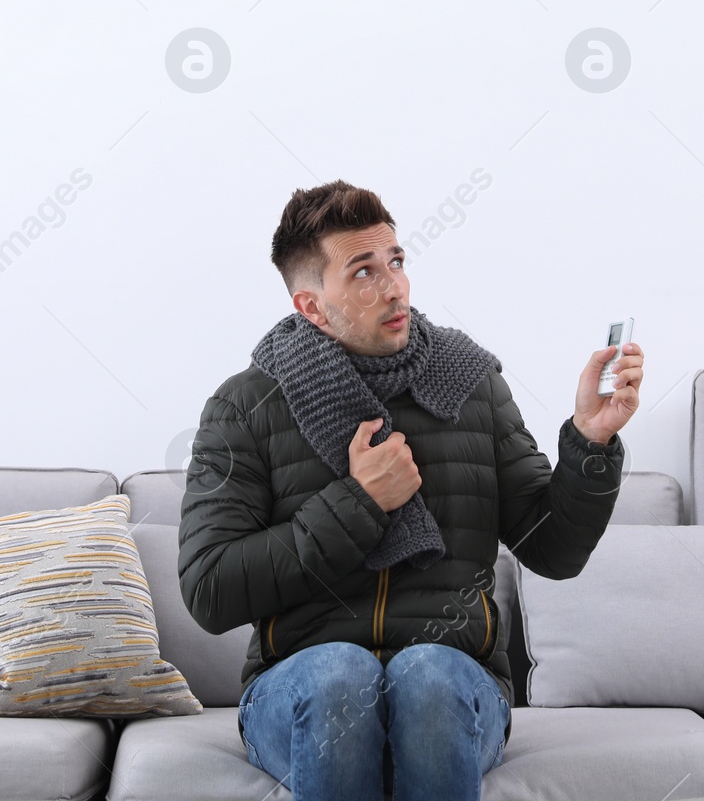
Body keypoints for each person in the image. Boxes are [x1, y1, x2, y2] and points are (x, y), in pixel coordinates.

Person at [177, 180, 643, 801]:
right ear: (311, 306)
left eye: (396, 261)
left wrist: (590, 440)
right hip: (296, 689)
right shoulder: (247, 405)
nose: (393, 286)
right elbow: (209, 589)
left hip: (454, 684)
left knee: (424, 674)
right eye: (363, 272)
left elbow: (553, 550)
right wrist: (359, 504)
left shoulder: (469, 383)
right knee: (340, 673)